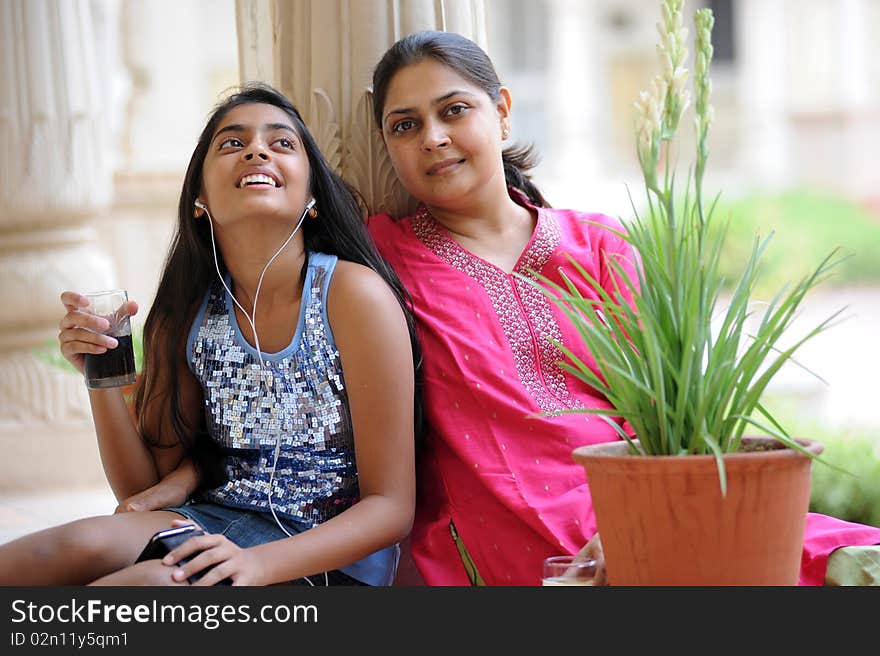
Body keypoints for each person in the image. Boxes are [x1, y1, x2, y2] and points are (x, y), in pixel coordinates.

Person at [118, 31, 880, 586]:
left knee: (835, 561)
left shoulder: (605, 246)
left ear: (503, 112)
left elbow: (678, 423)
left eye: (455, 110)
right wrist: (183, 469)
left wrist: (647, 520)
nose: (435, 139)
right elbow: (255, 356)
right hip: (495, 532)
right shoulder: (378, 260)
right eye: (405, 126)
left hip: (637, 506)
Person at [0, 83, 419, 586]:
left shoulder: (352, 295)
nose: (257, 150)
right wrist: (101, 376)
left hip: (326, 560)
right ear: (199, 196)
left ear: (311, 197)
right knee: (63, 548)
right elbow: (141, 492)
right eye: (232, 143)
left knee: (150, 586)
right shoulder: (190, 311)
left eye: (282, 143)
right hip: (217, 523)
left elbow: (391, 508)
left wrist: (257, 563)